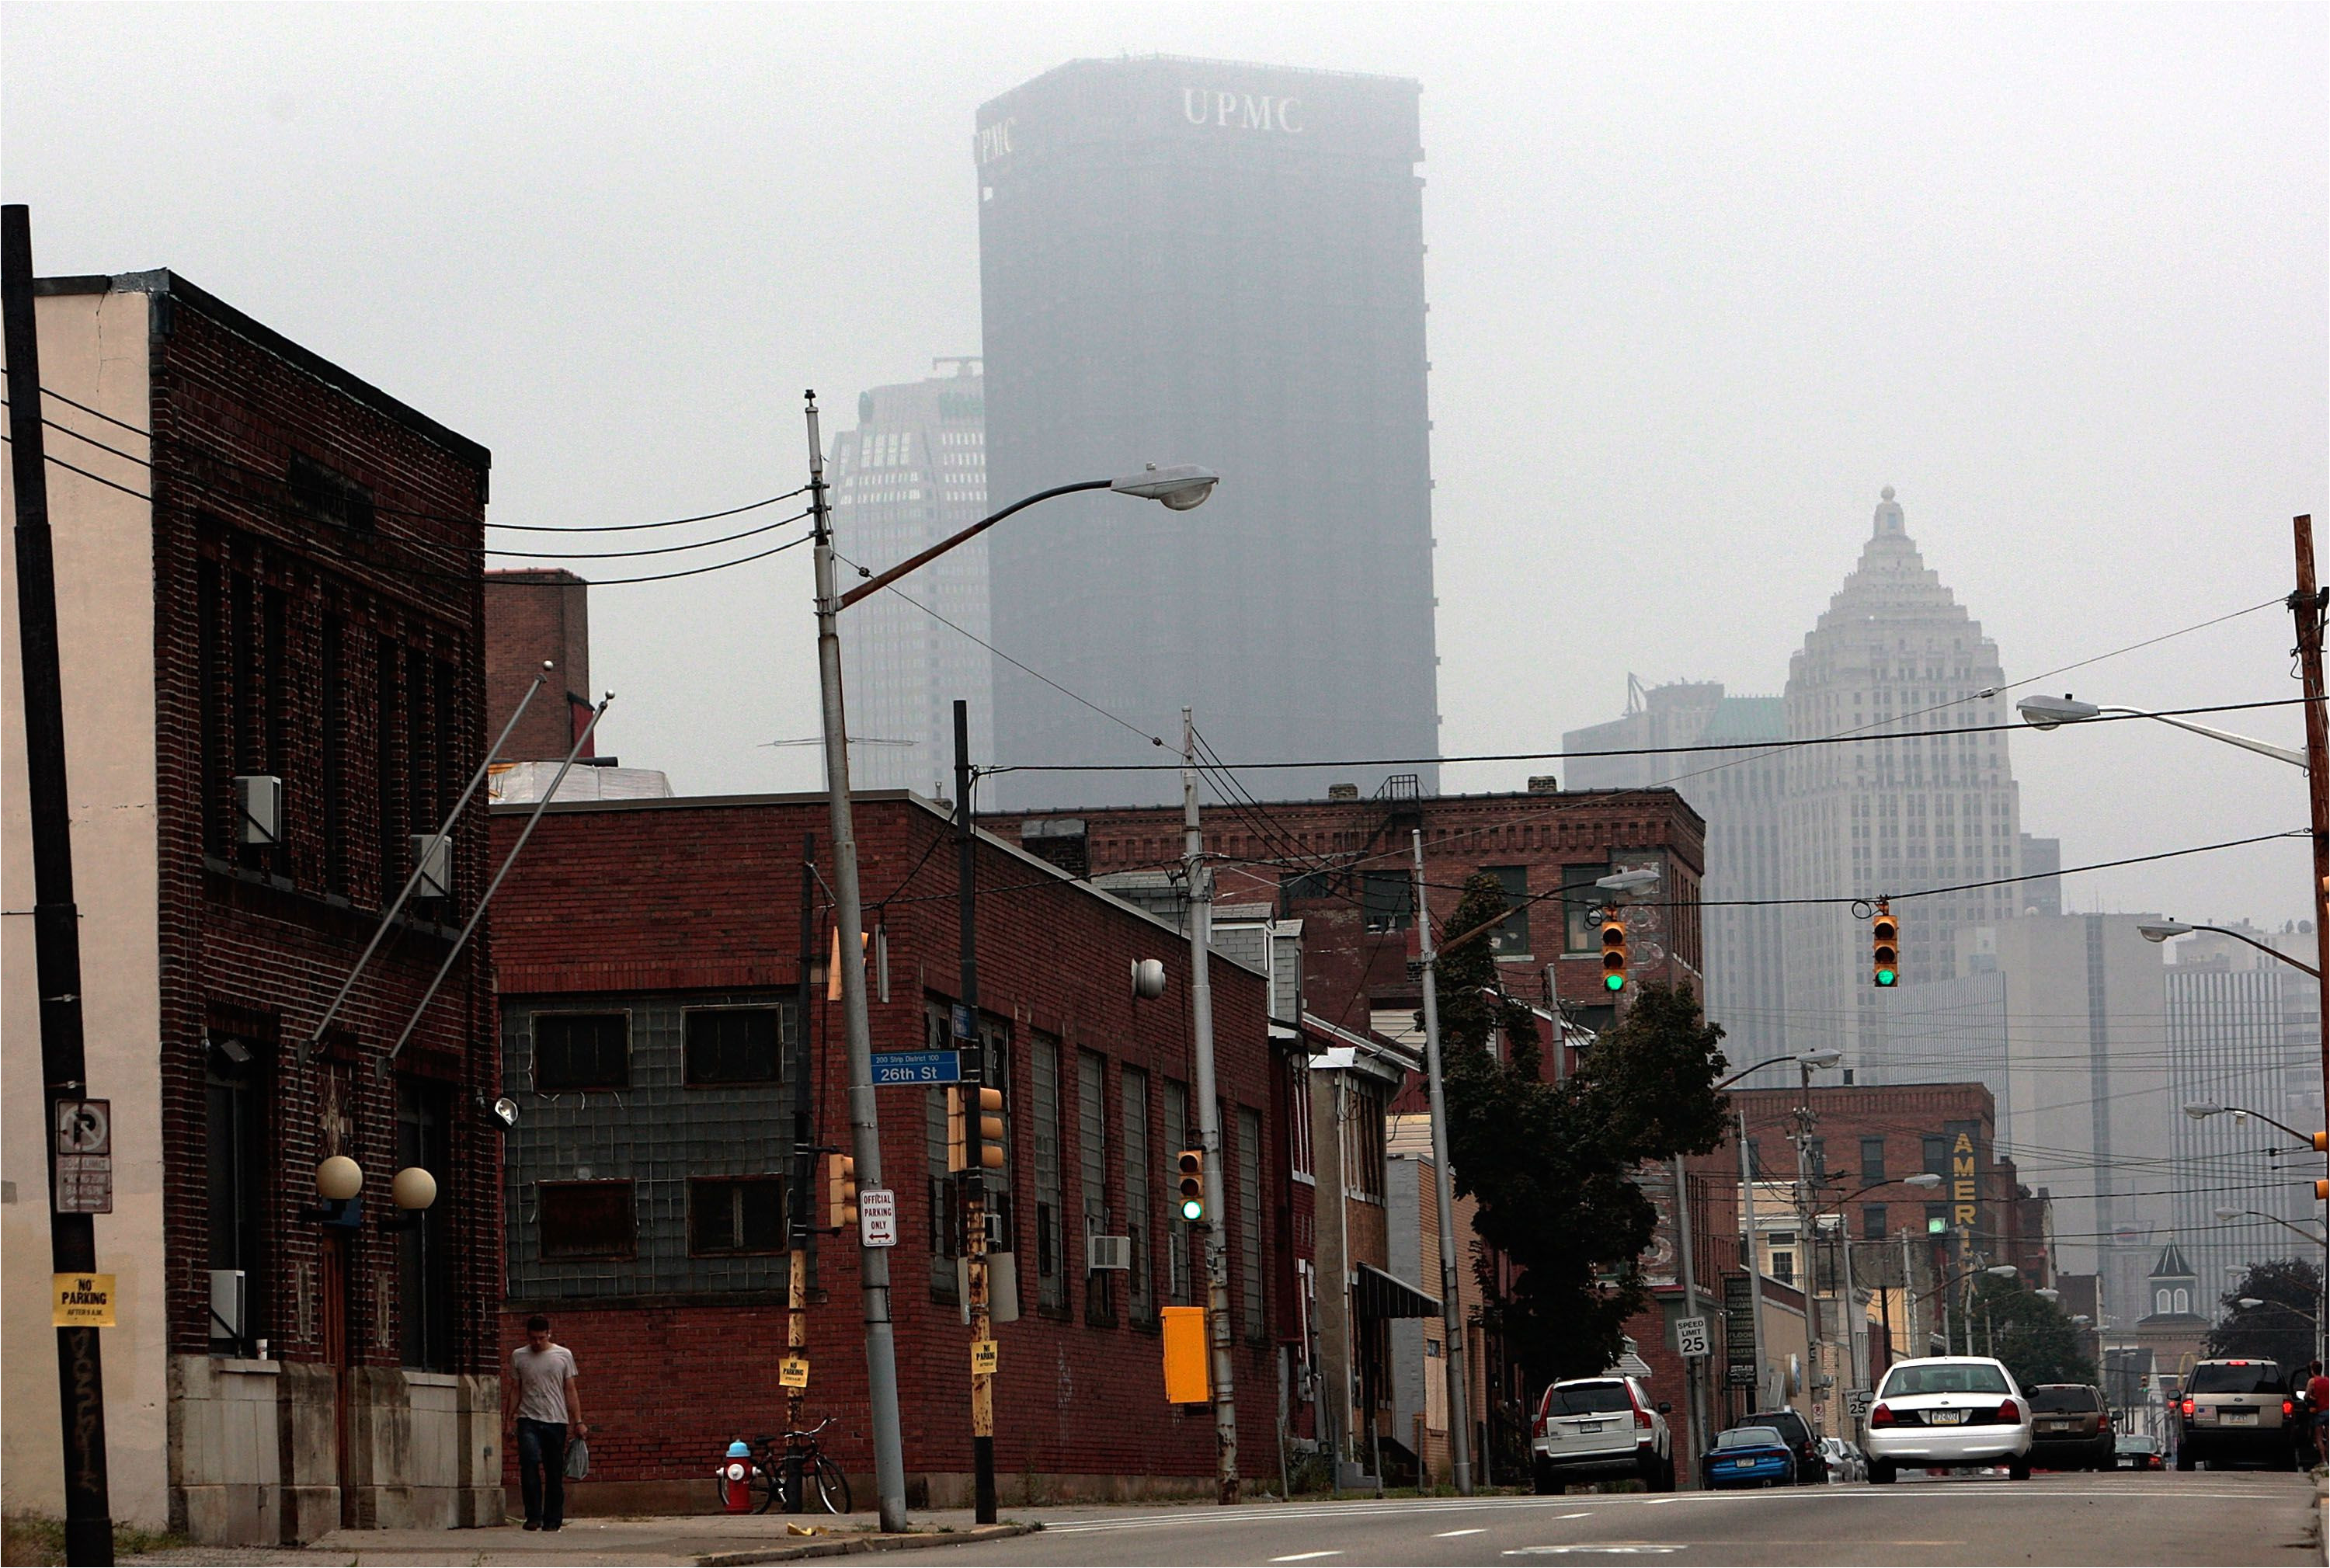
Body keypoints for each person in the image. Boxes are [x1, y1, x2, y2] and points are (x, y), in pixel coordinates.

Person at [511, 1314, 587, 1531]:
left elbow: (570, 1389)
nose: (537, 1343)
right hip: (528, 1419)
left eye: (541, 1338)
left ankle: (553, 1518)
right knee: (529, 1463)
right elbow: (515, 1389)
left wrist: (578, 1421)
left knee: (554, 1471)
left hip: (556, 1420)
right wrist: (508, 1421)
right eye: (533, 1338)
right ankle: (533, 1516)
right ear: (527, 1336)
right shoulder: (519, 1356)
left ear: (549, 1335)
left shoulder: (563, 1356)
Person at [2306, 1360, 2327, 1467]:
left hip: (2319, 1412)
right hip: (2329, 1410)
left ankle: (2323, 1460)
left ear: (2312, 1370)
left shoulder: (2312, 1381)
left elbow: (2306, 1395)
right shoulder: (2328, 1380)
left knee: (2318, 1437)